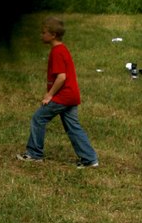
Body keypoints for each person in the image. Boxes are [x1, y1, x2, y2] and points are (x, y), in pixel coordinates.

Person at [17, 16, 99, 168]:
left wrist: (50, 95)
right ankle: (90, 159)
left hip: (63, 96)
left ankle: (34, 153)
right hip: (72, 95)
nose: (41, 35)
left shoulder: (57, 52)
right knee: (73, 126)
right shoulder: (63, 49)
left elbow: (62, 77)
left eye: (43, 32)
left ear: (53, 35)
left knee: (38, 118)